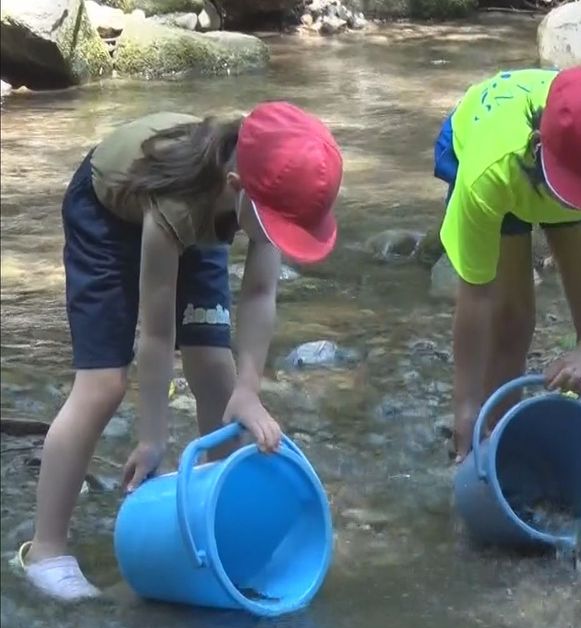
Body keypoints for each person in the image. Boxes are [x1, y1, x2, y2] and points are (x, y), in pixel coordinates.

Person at [11, 102, 345, 601]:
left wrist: (250, 390)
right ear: (237, 187)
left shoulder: (266, 196)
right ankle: (45, 550)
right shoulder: (180, 206)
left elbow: (259, 294)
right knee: (103, 384)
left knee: (216, 368)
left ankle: (221, 521)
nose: (281, 239)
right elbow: (155, 331)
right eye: (279, 227)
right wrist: (152, 437)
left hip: (205, 216)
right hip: (111, 213)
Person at [432, 67, 581, 462]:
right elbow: (477, 294)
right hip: (506, 168)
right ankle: (493, 448)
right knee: (511, 320)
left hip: (578, 159)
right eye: (580, 195)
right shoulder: (490, 172)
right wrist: (464, 405)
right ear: (538, 145)